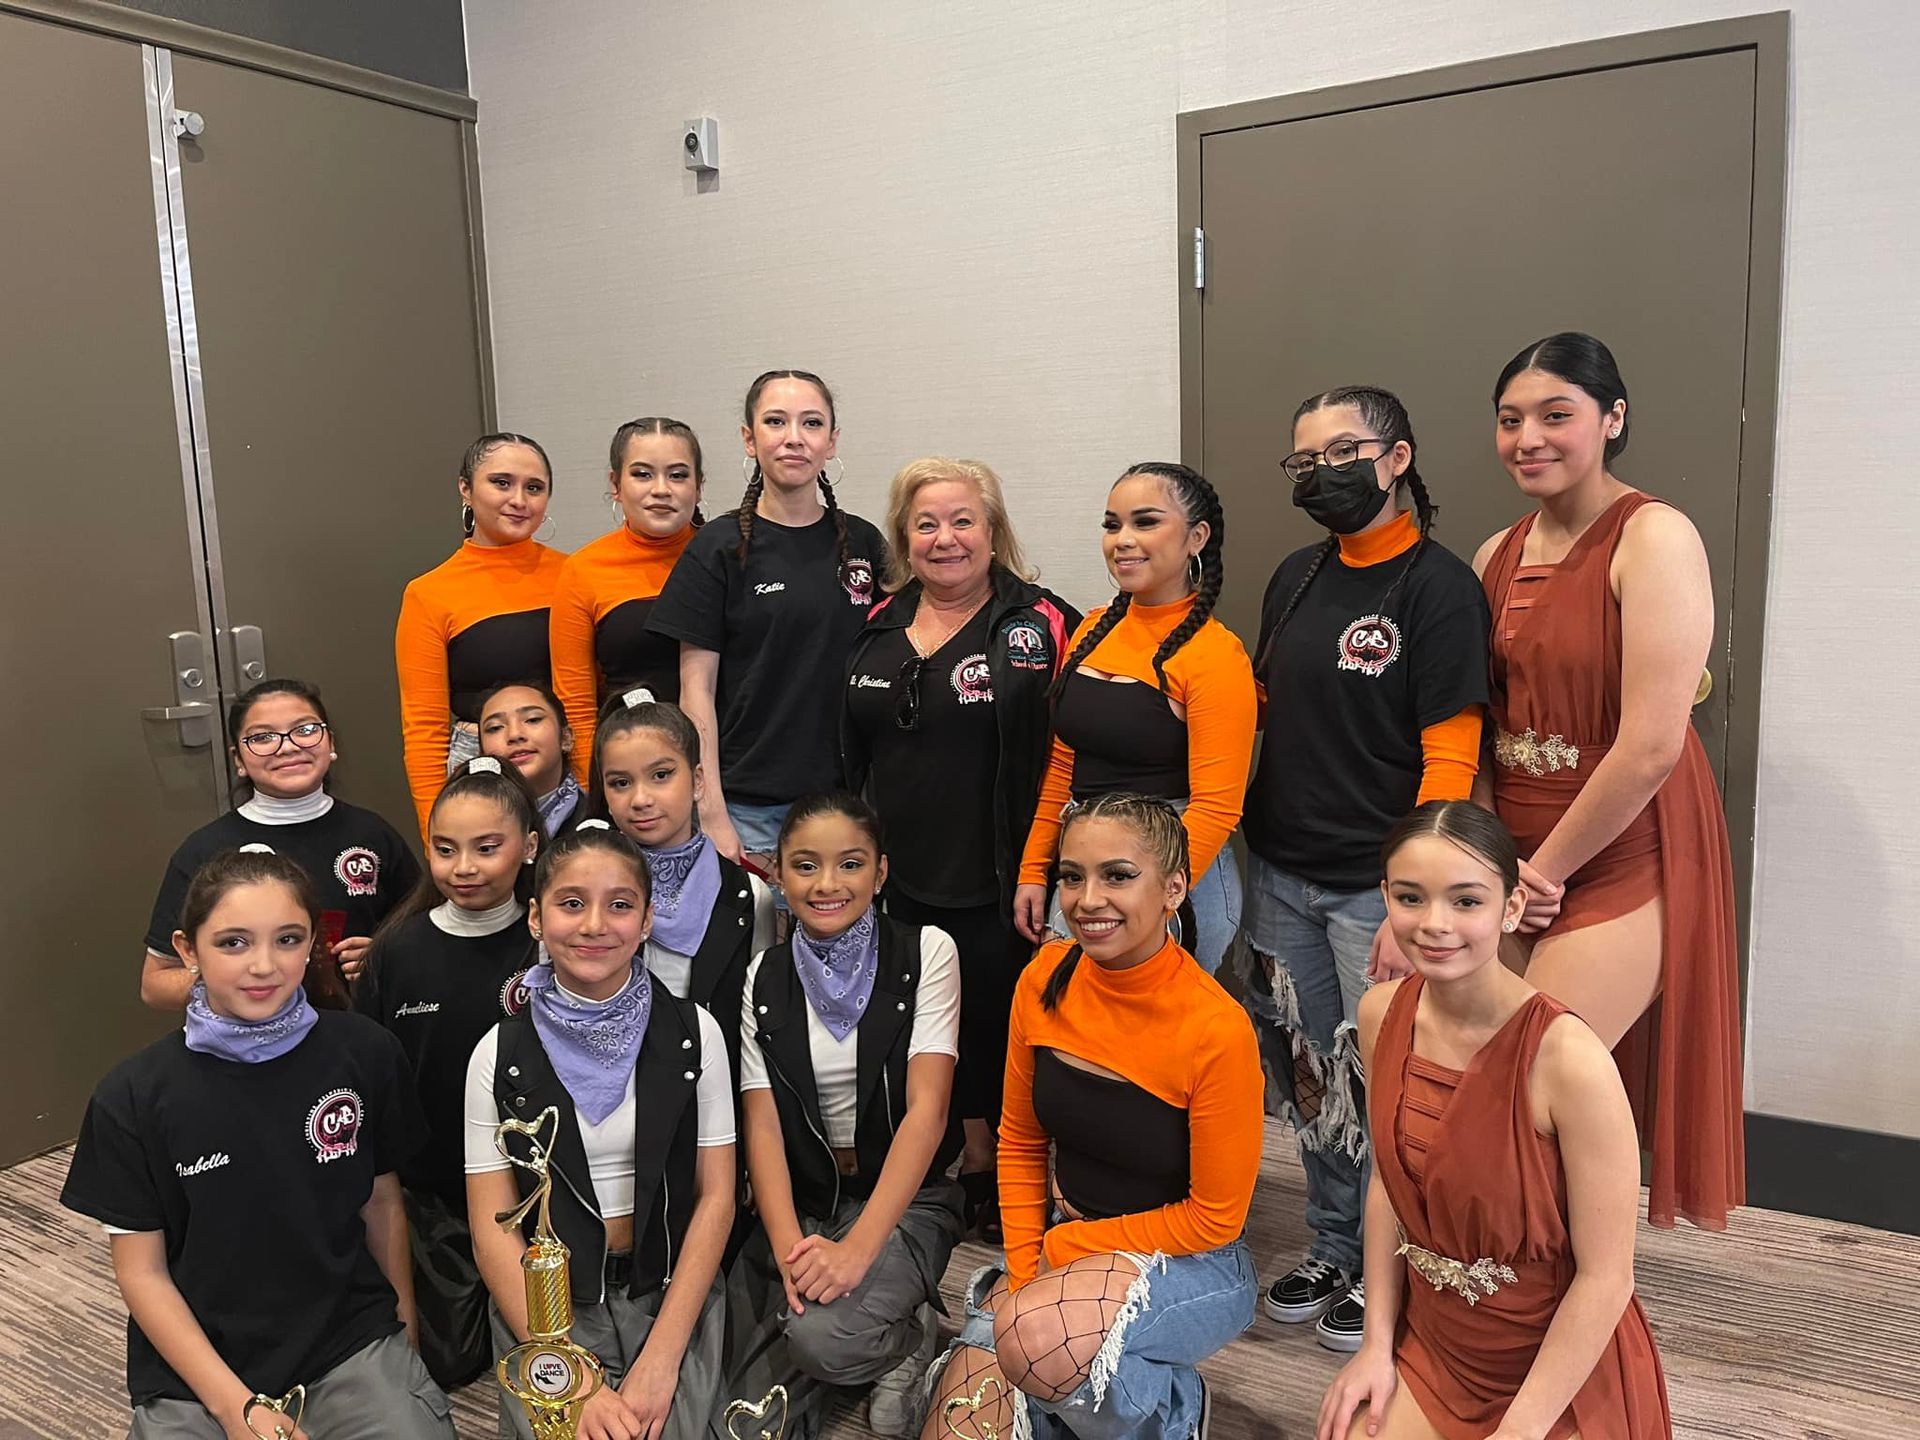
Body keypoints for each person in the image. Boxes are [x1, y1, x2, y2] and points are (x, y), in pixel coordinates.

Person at [1239, 387, 1492, 1351]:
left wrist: (1412, 899)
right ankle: (1336, 1245)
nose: (1322, 474)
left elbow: (1451, 757)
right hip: (1281, 877)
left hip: (1368, 891)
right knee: (1312, 1077)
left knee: (1392, 1081)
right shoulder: (1296, 577)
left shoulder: (1438, 588)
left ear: (1396, 458)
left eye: (1342, 451)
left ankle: (1404, 1266)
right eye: (1305, 462)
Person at [1475, 332, 1743, 1230]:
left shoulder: (1656, 536)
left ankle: (1583, 1293)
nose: (1529, 439)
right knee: (1476, 1069)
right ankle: (1508, 1282)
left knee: (1534, 1068)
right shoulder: (1493, 555)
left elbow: (1651, 744)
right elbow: (1482, 727)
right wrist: (1486, 869)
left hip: (1626, 846)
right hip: (1511, 857)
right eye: (1511, 420)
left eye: (1558, 416)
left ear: (1612, 419)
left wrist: (1538, 876)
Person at [64, 848, 454, 1440]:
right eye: (234, 943)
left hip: (343, 1337)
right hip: (198, 1364)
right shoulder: (131, 1097)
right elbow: (142, 1273)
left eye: (289, 939)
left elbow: (382, 1202)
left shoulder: (364, 1052)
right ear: (187, 950)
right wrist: (235, 1408)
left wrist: (403, 1342)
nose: (264, 966)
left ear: (312, 944)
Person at [1317, 800, 1671, 1440]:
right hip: (1438, 1349)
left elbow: (1606, 1278)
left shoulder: (1569, 1060)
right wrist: (1374, 1346)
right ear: (1384, 898)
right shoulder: (1379, 1015)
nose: (1435, 924)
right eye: (1410, 898)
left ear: (1511, 908)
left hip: (1554, 1368)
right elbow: (1388, 1188)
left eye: (1466, 901)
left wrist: (1520, 1430)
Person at [927, 793, 1262, 1440]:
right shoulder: (1044, 978)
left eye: (1117, 875)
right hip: (1062, 1242)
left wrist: (1062, 1251)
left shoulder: (1217, 1028)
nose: (1087, 899)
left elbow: (1214, 1217)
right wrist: (1026, 1273)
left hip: (1187, 1260)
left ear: (1173, 889)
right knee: (959, 1426)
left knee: (1034, 1347)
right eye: (1071, 876)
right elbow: (1021, 1141)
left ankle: (1174, 1411)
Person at [843, 457, 1081, 1242]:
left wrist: (1049, 867)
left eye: (962, 521)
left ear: (992, 530)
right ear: (904, 539)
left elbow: (1075, 756)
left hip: (1007, 875)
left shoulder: (1039, 623)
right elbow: (849, 758)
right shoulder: (872, 626)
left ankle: (1020, 1167)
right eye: (926, 524)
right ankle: (973, 1156)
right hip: (902, 873)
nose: (945, 539)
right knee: (932, 1023)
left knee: (1003, 1024)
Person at [465, 822, 734, 1440]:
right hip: (550, 1304)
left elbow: (716, 1198)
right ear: (535, 918)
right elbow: (491, 1227)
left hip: (666, 1287)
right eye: (571, 903)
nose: (594, 925)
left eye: (619, 905)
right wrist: (571, 1375)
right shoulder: (497, 1053)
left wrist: (663, 1358)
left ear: (646, 921)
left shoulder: (696, 1033)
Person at [728, 793, 965, 1439]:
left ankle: (913, 1337)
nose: (827, 884)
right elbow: (764, 1125)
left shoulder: (927, 953)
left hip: (905, 1197)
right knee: (727, 1363)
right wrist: (785, 1249)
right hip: (810, 1199)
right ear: (778, 874)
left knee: (821, 1342)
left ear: (880, 872)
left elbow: (928, 1111)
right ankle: (856, 1313)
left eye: (850, 864)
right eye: (805, 866)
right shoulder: (764, 976)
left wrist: (858, 1251)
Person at [1013, 463, 1256, 976]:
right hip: (1085, 869)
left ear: (1197, 537)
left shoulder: (1215, 654)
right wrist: (1037, 869)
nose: (1123, 540)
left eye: (1145, 522)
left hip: (1175, 882)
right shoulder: (1095, 627)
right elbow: (1063, 766)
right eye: (1112, 525)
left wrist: (1149, 895)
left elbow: (1216, 807)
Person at [646, 370, 887, 871]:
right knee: (756, 947)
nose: (794, 437)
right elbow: (696, 691)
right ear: (749, 439)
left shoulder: (864, 544)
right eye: (775, 422)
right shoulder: (717, 547)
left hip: (846, 801)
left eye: (811, 423)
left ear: (832, 441)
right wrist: (710, 809)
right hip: (747, 804)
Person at [354, 759, 542, 1389]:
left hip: (536, 1185)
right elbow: (368, 1073)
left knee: (550, 1333)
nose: (464, 867)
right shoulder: (399, 949)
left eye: (487, 848)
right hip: (434, 1188)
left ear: (529, 847)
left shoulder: (549, 941)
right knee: (451, 1363)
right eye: (445, 849)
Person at [141, 678, 419, 1010]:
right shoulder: (204, 850)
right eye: (262, 737)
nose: (287, 747)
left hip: (354, 1035)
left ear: (330, 742)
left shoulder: (374, 835)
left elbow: (426, 941)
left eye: (305, 729)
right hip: (245, 1048)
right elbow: (155, 985)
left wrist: (384, 959)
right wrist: (237, 977)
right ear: (239, 760)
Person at [589, 686, 775, 1084]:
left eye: (661, 775)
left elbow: (758, 1023)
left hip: (714, 1093)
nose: (640, 798)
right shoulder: (585, 891)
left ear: (697, 780)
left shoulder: (745, 895)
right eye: (620, 783)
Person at [396, 432, 567, 835]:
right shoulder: (429, 593)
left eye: (535, 488)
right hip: (480, 767)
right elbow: (424, 728)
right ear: (466, 489)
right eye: (501, 482)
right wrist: (434, 834)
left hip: (568, 759)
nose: (519, 500)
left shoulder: (574, 574)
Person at [550, 417, 705, 764]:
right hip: (630, 769)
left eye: (678, 475)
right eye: (642, 474)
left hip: (731, 768)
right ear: (615, 484)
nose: (661, 489)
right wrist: (590, 787)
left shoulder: (724, 557)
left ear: (699, 486)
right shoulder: (583, 570)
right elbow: (575, 703)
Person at [477, 680, 587, 838]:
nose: (514, 734)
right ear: (481, 753)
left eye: (533, 719)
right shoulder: (466, 825)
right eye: (495, 728)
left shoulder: (599, 824)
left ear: (565, 738)